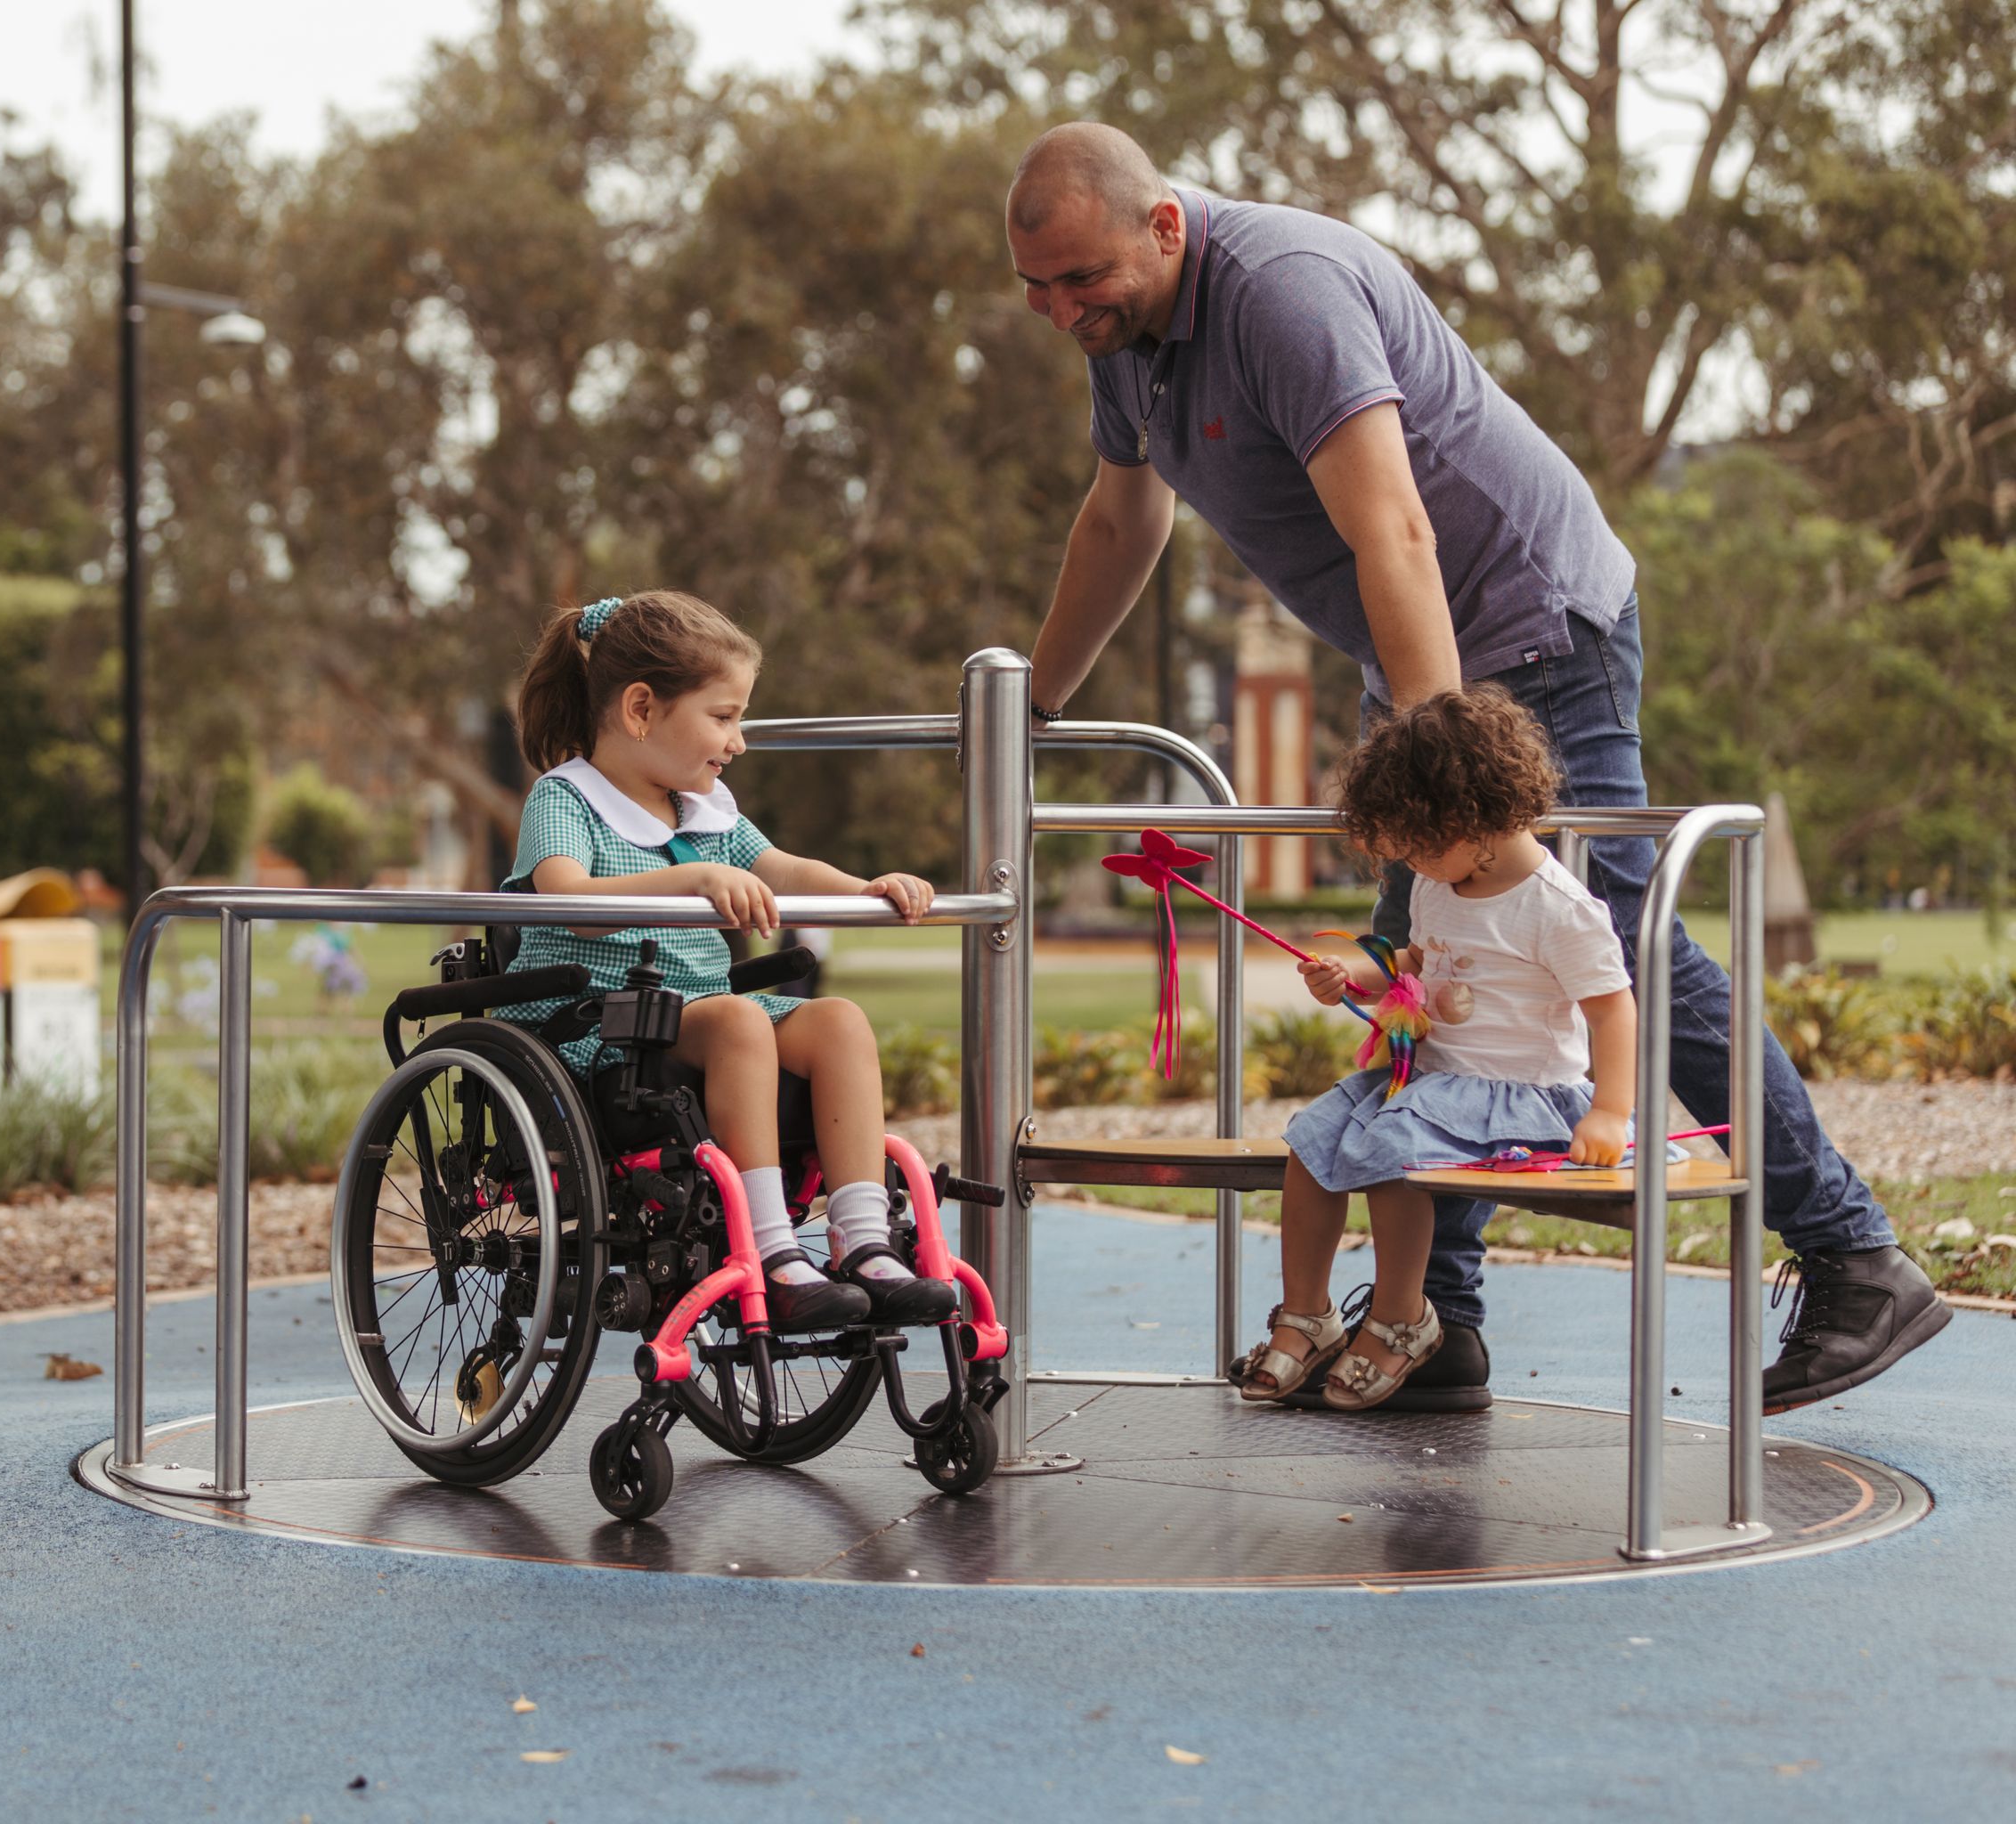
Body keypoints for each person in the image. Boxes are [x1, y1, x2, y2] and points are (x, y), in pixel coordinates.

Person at [1006, 121, 1947, 1413]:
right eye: (1038, 289)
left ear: (1164, 226)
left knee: (1611, 932)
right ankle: (1435, 1325)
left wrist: (1440, 763)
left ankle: (1854, 1257)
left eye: (1082, 281)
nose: (1062, 312)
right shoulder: (1133, 344)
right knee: (1420, 977)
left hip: (1530, 627)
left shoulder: (1281, 292)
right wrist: (1035, 708)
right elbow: (1124, 517)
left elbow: (1393, 521)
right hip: (1417, 662)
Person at [502, 590, 956, 1330]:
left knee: (838, 1019)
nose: (737, 741)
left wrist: (865, 886)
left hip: (697, 1014)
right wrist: (693, 878)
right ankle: (773, 1252)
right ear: (641, 709)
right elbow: (569, 899)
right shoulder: (567, 799)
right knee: (741, 1022)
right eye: (724, 717)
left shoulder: (705, 808)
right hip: (598, 1026)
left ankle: (864, 1241)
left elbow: (785, 868)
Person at [1243, 690, 1634, 1409]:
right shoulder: (1439, 879)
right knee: (1310, 1141)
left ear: (1472, 819)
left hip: (1522, 1094)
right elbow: (1419, 961)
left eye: (1419, 843)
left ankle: (1401, 1319)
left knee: (1395, 1152)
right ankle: (1309, 1312)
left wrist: (1610, 1110)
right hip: (1433, 1080)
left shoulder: (1557, 908)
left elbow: (1614, 1010)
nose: (1412, 862)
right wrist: (1355, 976)